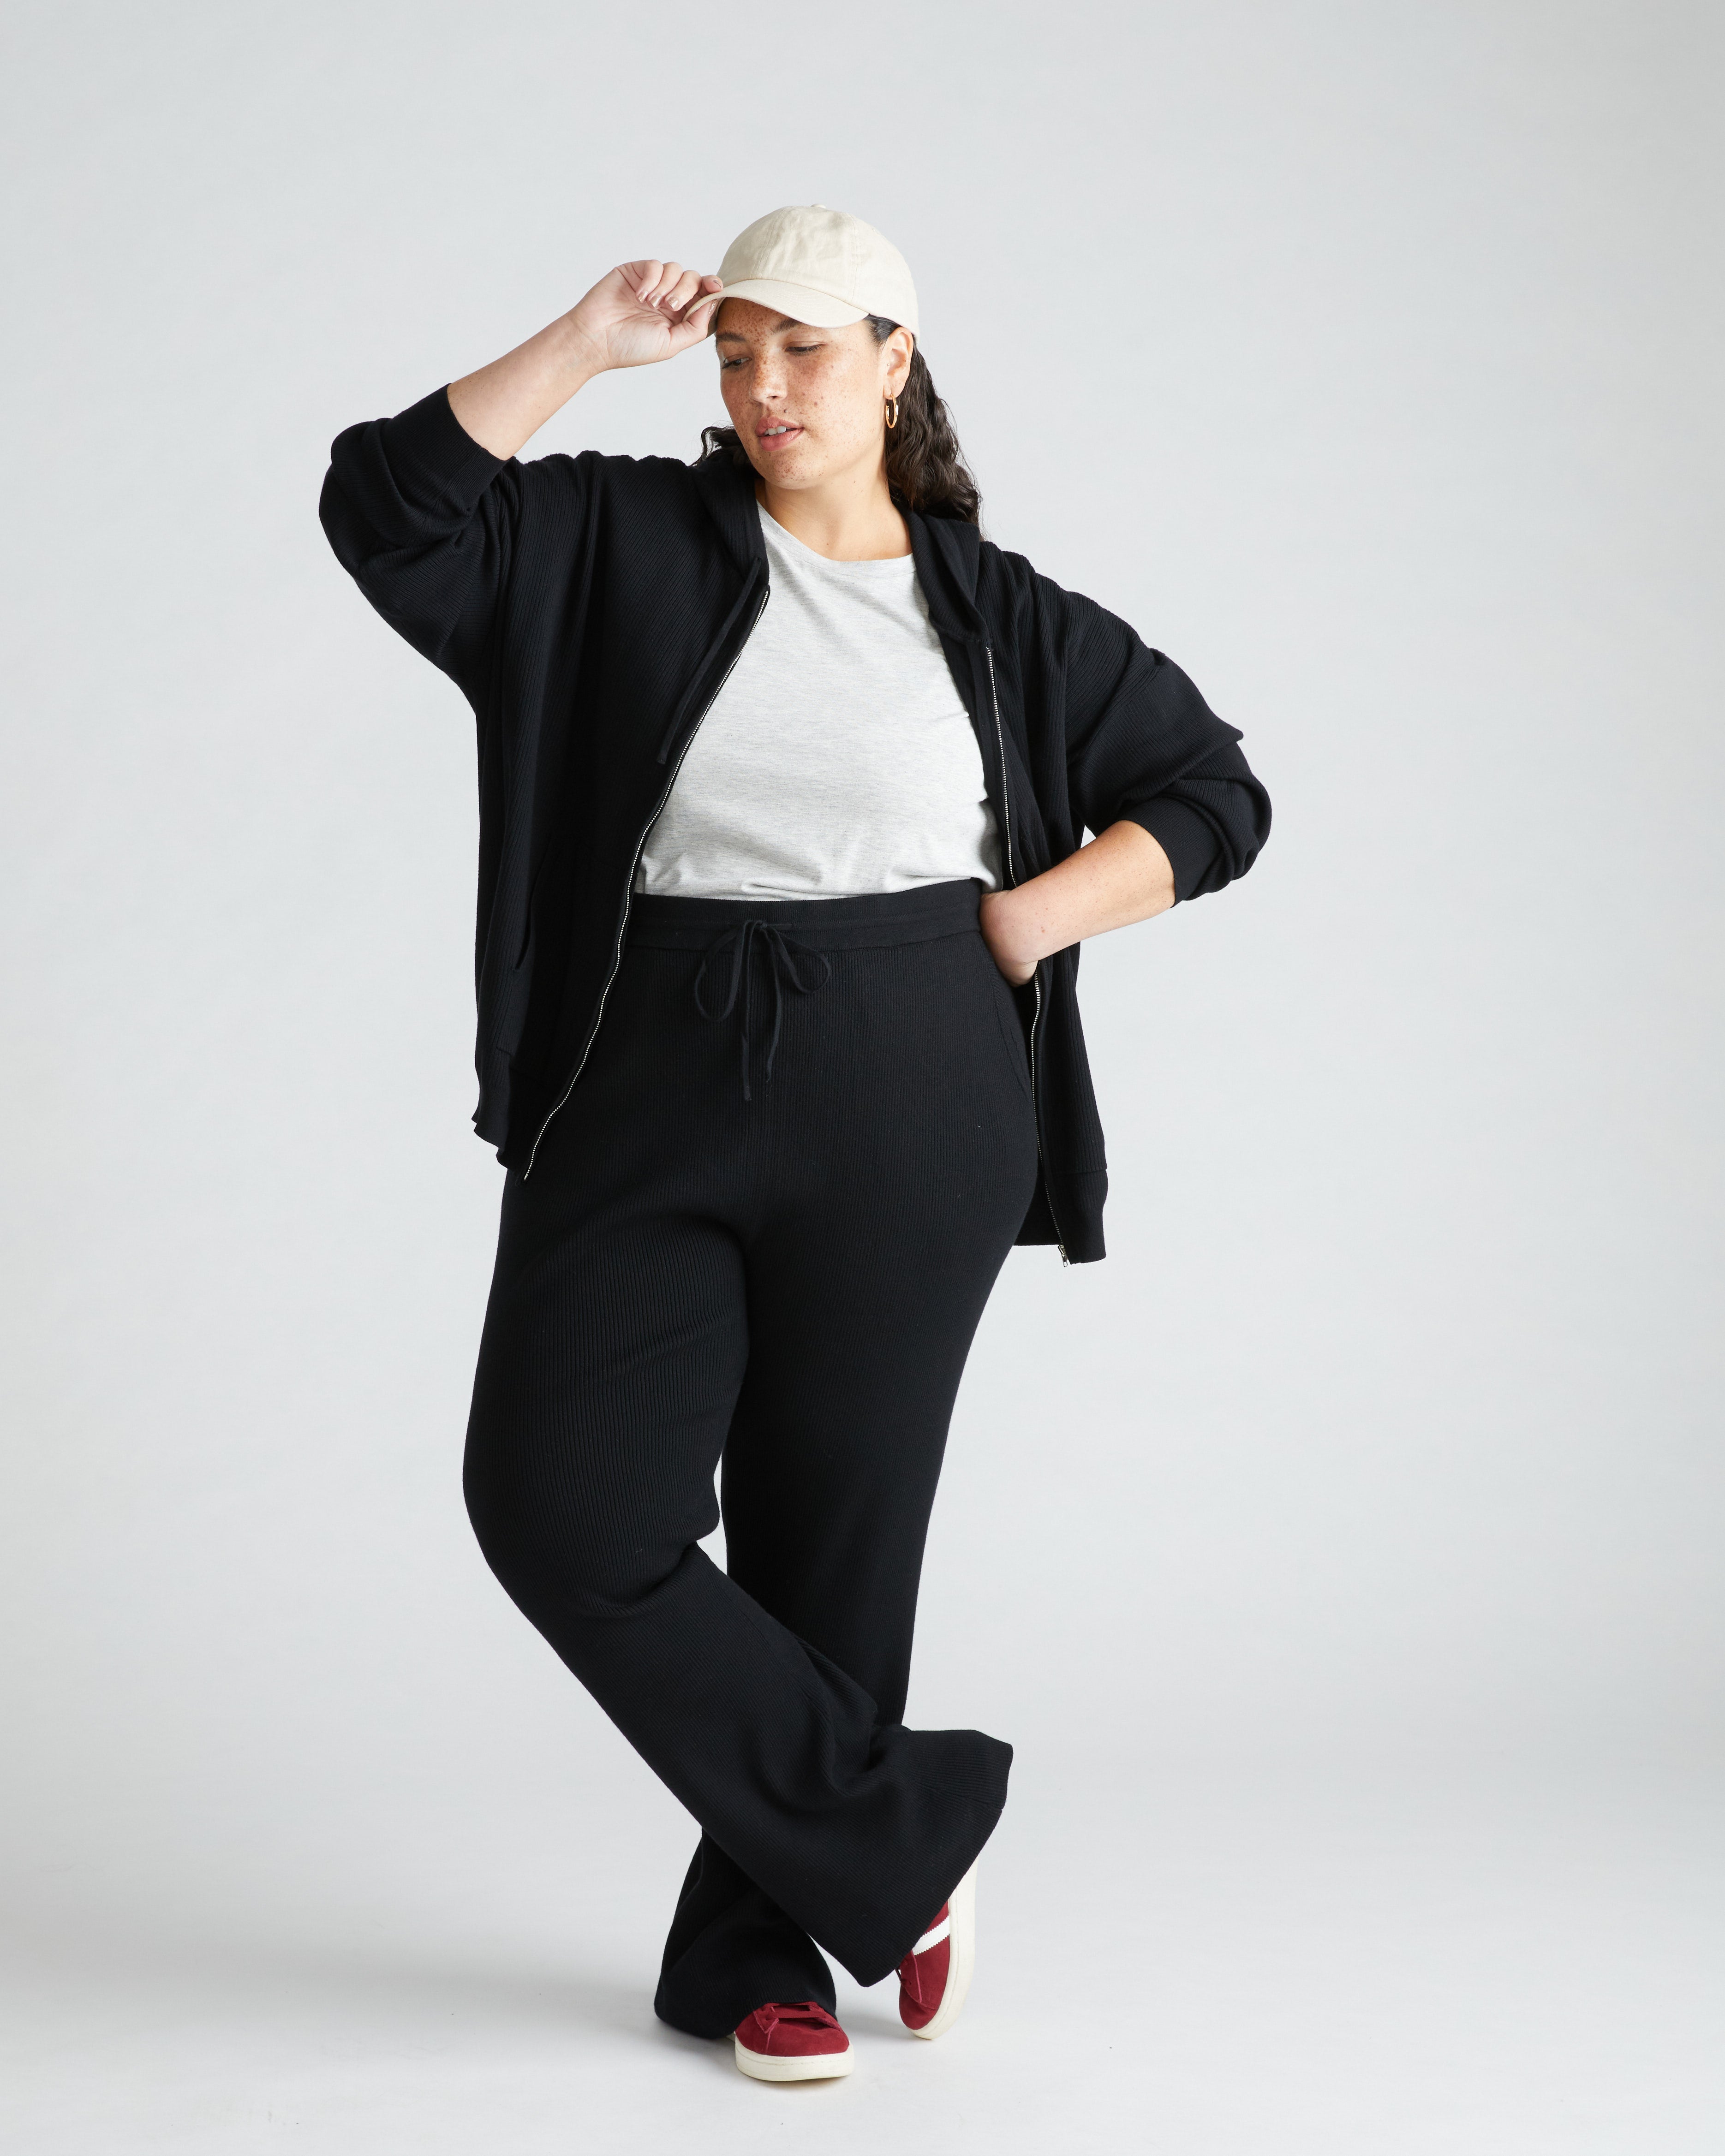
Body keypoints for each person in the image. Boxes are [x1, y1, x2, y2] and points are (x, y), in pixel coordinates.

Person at [319, 203, 1269, 2084]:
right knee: (558, 1504)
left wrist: (1025, 919)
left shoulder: (1000, 615)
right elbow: (386, 511)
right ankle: (901, 1831)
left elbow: (1211, 790)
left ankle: (757, 1956)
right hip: (646, 1060)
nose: (764, 388)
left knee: (833, 1538)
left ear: (895, 364)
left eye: (806, 352)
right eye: (738, 353)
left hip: (913, 1077)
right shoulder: (616, 541)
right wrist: (582, 342)